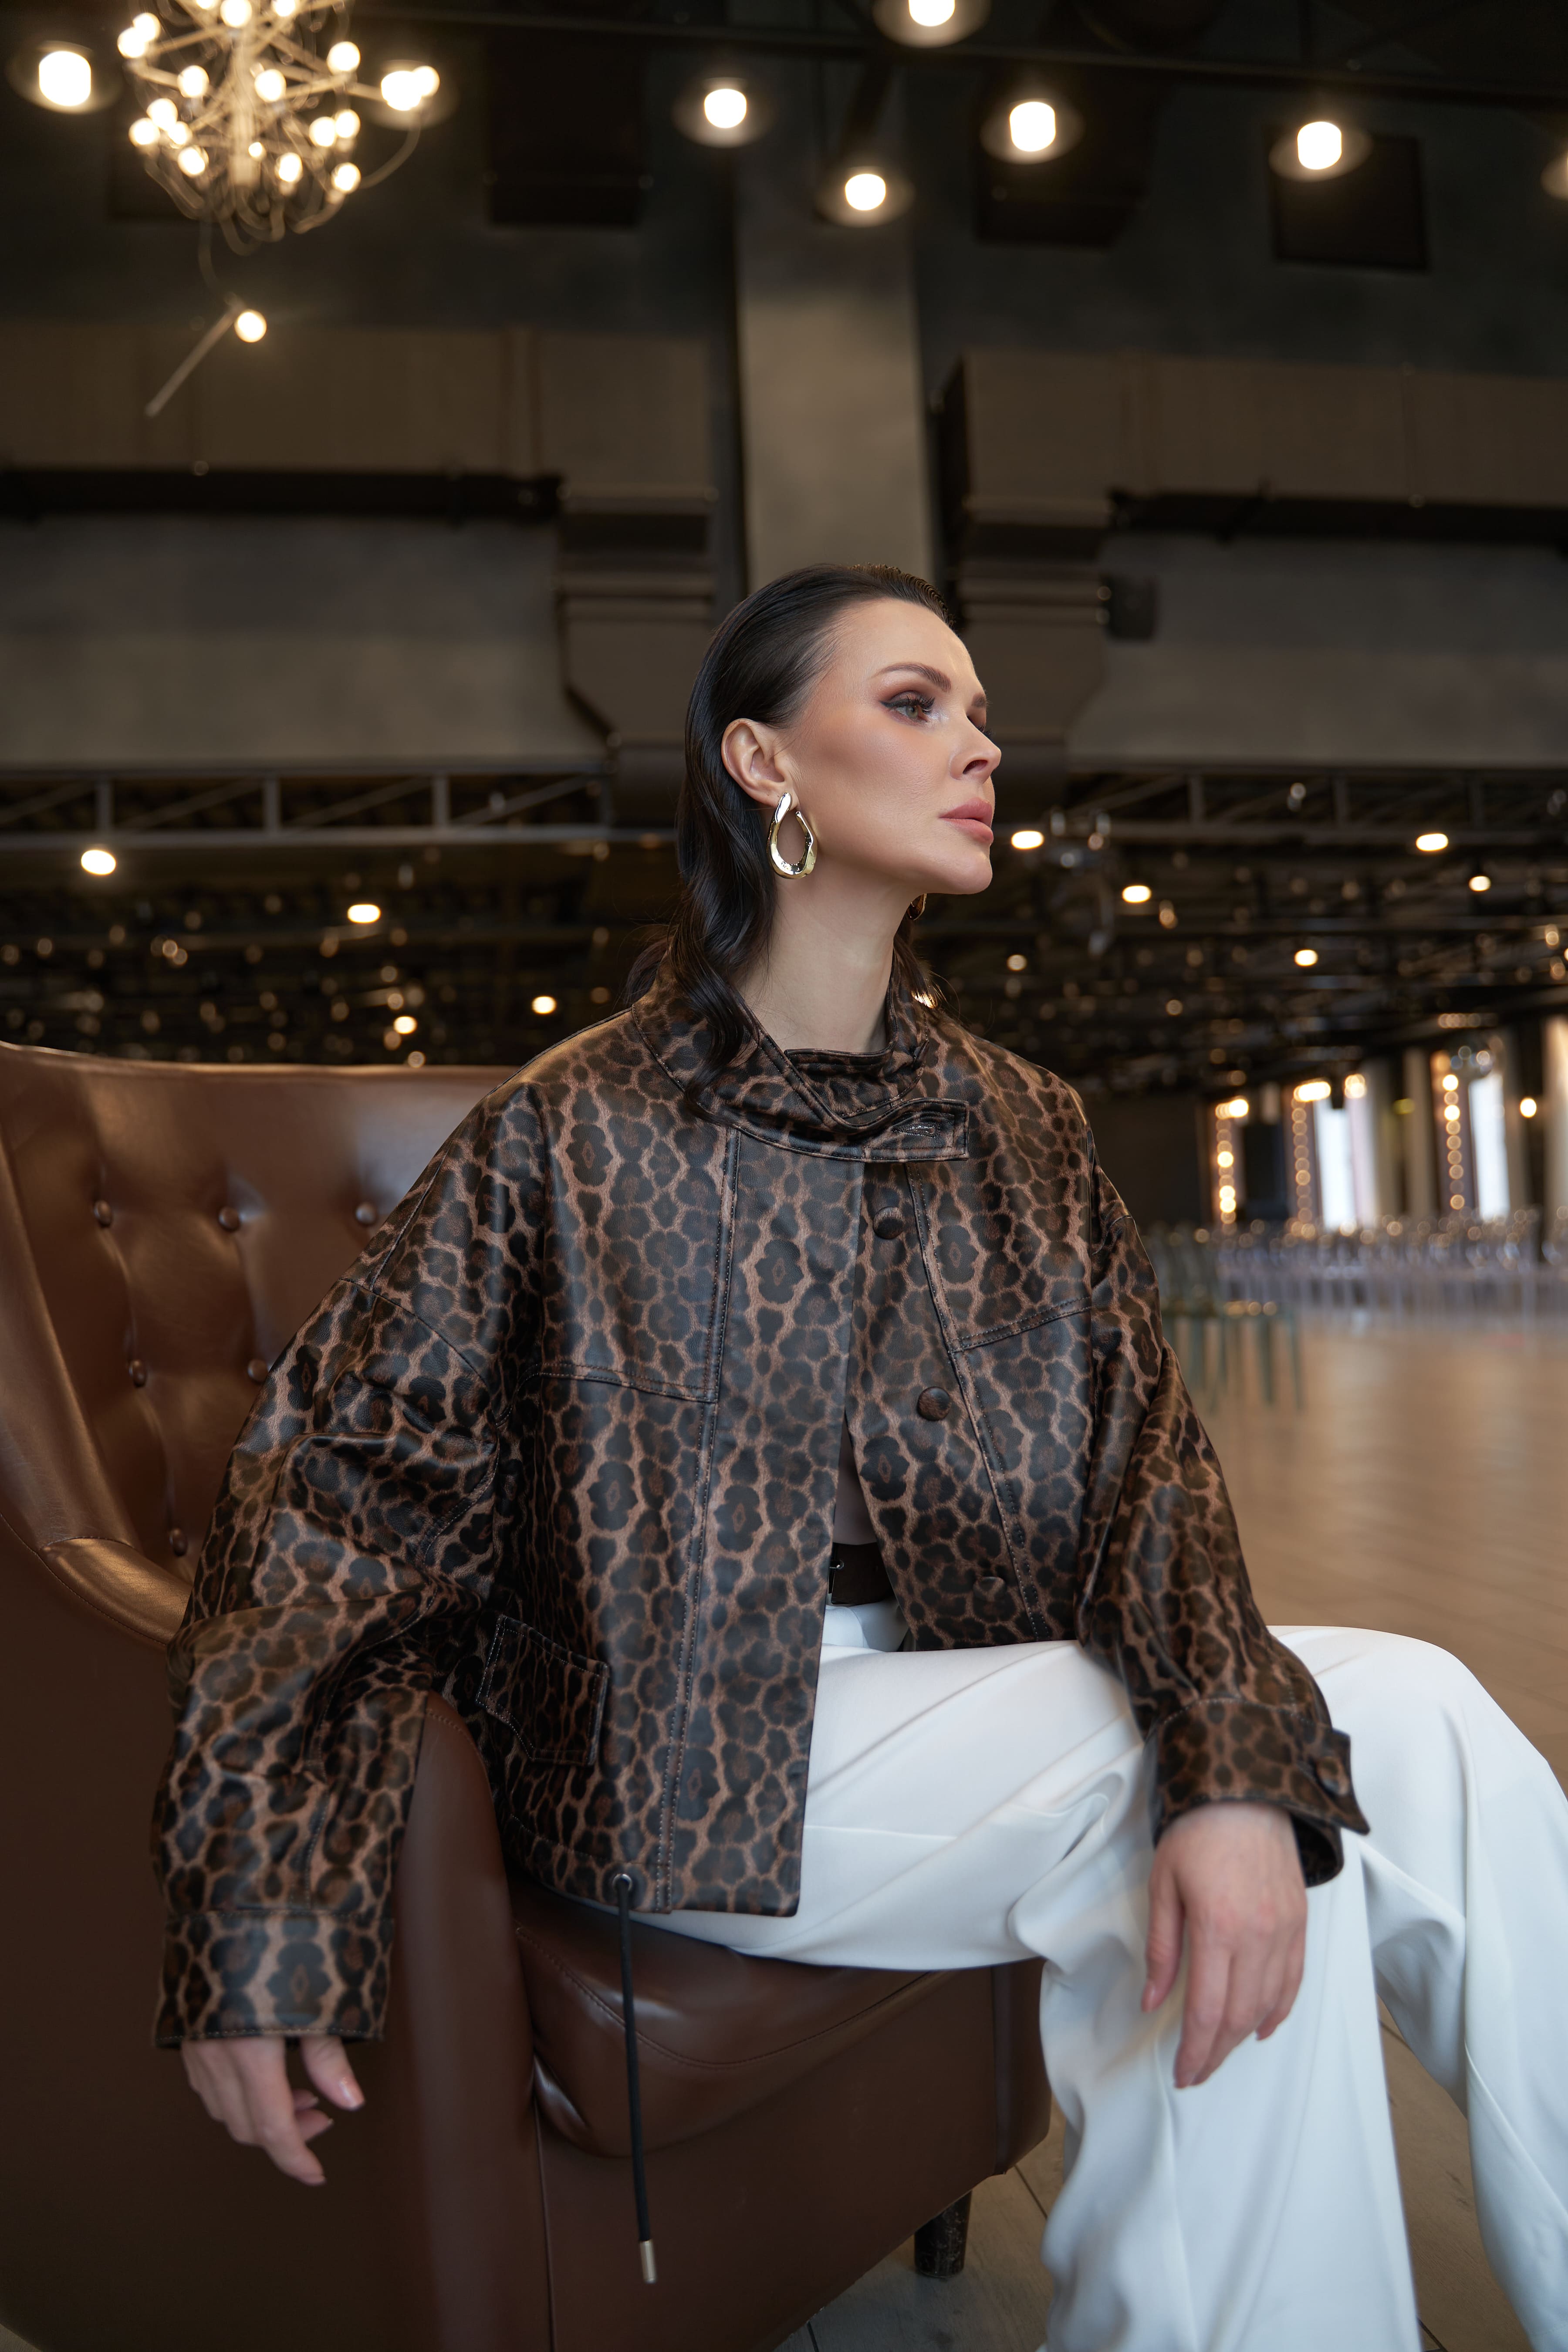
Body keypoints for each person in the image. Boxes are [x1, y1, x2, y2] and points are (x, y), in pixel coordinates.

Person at [156, 564, 1568, 2352]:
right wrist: (259, 1918)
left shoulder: (1022, 1125)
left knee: (1388, 1731)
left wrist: (1229, 1751)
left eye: (979, 713)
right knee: (1214, 1786)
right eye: (915, 704)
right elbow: (329, 1521)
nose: (980, 748)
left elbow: (1150, 1477)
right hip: (679, 1759)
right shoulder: (568, 1134)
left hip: (967, 1692)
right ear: (764, 762)